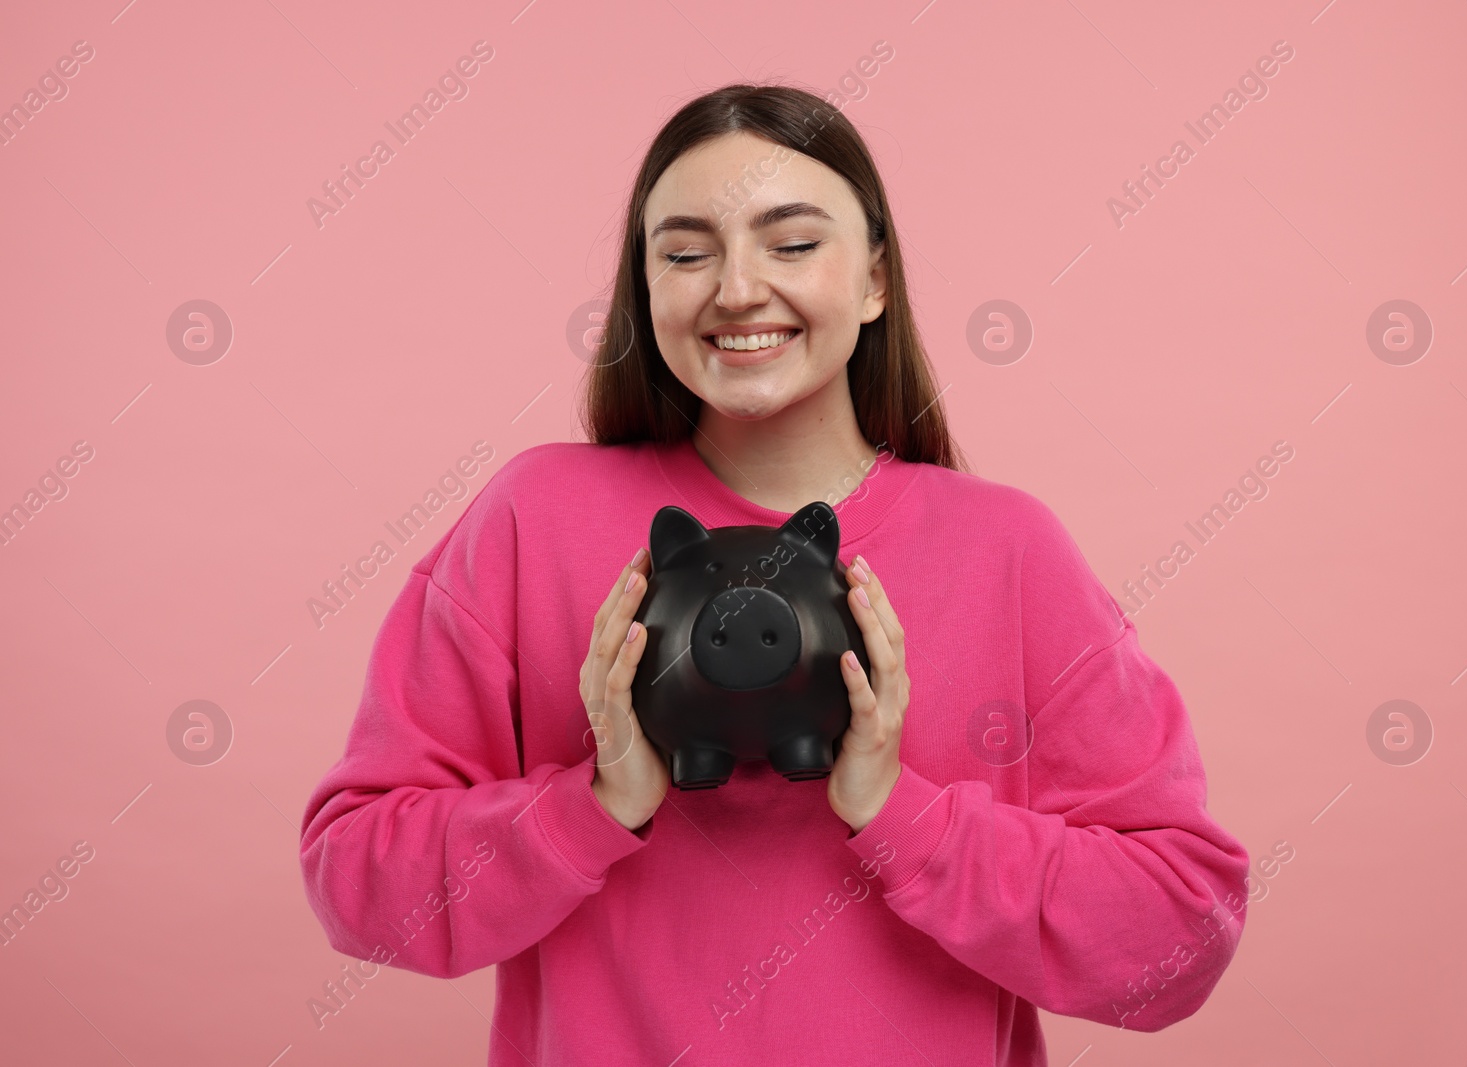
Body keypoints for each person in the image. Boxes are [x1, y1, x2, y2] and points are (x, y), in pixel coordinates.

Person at [299, 83, 1250, 1066]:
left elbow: (1178, 937)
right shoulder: (530, 519)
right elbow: (357, 888)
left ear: (876, 280)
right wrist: (595, 798)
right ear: (644, 290)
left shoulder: (1007, 549)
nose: (738, 288)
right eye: (684, 253)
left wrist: (900, 812)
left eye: (792, 244)